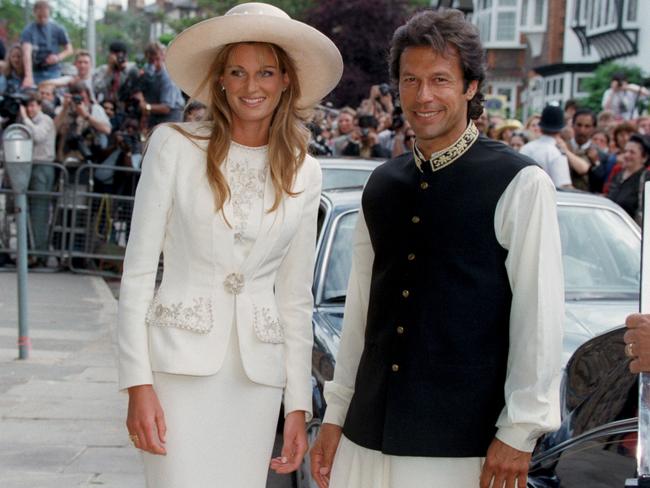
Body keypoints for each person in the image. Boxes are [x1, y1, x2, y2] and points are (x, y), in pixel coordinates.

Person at [310, 9, 563, 488]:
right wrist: (335, 415)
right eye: (411, 80)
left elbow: (539, 316)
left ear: (470, 87)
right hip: (366, 439)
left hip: (461, 450)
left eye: (440, 80)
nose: (424, 96)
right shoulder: (381, 185)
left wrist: (520, 430)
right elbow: (362, 312)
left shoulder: (520, 182)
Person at [116, 3, 342, 487]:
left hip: (256, 383)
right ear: (220, 79)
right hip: (176, 371)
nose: (250, 86)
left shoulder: (306, 170)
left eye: (265, 72)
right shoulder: (174, 146)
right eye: (237, 72)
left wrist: (298, 406)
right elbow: (136, 275)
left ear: (286, 80)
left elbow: (296, 299)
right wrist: (137, 384)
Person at [18, 92, 56, 266]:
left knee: (39, 212)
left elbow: (38, 136)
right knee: (28, 211)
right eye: (28, 106)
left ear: (40, 106)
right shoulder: (29, 121)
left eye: (34, 105)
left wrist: (25, 118)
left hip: (42, 167)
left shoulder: (45, 120)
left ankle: (39, 254)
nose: (30, 109)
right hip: (30, 167)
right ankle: (30, 252)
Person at [20, 1, 73, 88]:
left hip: (53, 71)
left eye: (45, 16)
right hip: (35, 71)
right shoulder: (28, 30)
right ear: (34, 13)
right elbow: (27, 54)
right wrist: (28, 76)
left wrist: (58, 57)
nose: (42, 19)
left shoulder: (57, 29)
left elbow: (69, 49)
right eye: (39, 16)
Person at [134, 42, 185, 130]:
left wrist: (146, 107)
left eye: (157, 59)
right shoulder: (148, 71)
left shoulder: (167, 77)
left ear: (163, 56)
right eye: (151, 60)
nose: (154, 64)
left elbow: (166, 108)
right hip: (155, 115)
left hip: (171, 116)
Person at [520, 105, 572, 188]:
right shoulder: (557, 152)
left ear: (540, 126)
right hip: (547, 199)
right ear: (561, 129)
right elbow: (563, 186)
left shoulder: (526, 148)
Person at [606, 133, 650, 222]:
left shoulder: (646, 179)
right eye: (625, 151)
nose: (626, 155)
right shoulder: (618, 175)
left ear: (644, 157)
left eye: (632, 152)